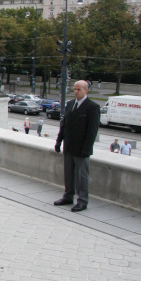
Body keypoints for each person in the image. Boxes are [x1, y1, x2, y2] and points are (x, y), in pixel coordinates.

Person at [53, 80, 101, 212]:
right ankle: (68, 196)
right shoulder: (70, 104)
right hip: (69, 146)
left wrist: (86, 149)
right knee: (68, 174)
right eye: (74, 89)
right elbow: (64, 125)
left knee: (82, 176)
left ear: (86, 91)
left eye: (79, 89)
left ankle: (82, 201)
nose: (76, 92)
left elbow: (92, 131)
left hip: (81, 149)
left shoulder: (92, 107)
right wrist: (59, 141)